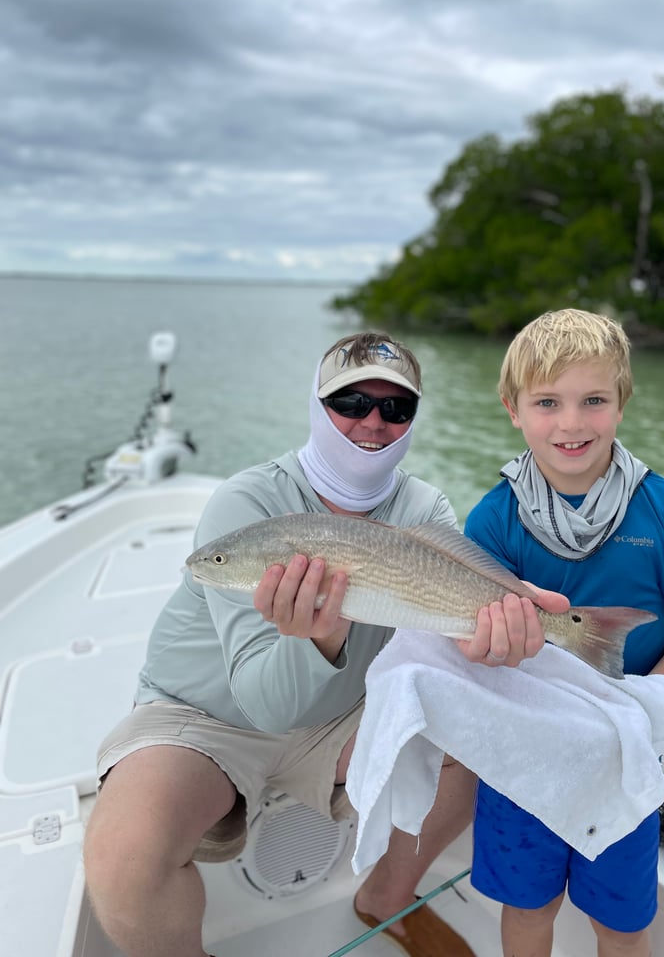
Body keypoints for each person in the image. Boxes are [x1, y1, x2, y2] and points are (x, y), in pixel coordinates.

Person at [83, 331, 566, 957]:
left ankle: (385, 900)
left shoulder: (424, 508)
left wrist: (493, 637)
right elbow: (266, 706)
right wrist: (323, 632)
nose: (372, 421)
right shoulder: (248, 502)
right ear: (318, 405)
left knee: (480, 732)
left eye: (396, 408)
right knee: (123, 856)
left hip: (341, 717)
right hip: (206, 720)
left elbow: (444, 636)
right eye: (351, 401)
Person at [465, 308, 664, 957]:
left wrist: (644, 707)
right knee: (529, 908)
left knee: (621, 922)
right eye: (547, 402)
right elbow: (470, 646)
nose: (572, 423)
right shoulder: (492, 522)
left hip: (624, 752)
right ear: (513, 409)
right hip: (522, 755)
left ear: (622, 403)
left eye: (594, 400)